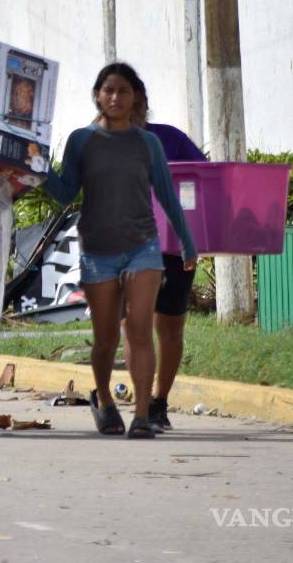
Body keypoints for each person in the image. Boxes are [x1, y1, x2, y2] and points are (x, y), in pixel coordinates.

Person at [43, 63, 197, 439]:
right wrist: (37, 164)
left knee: (141, 330)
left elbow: (166, 195)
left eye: (123, 91)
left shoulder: (149, 143)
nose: (115, 97)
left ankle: (142, 415)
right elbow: (65, 192)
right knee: (106, 337)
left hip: (143, 248)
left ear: (136, 98)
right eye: (108, 90)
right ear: (97, 94)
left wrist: (188, 242)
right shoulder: (81, 140)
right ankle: (106, 403)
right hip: (98, 251)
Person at [144, 123, 206, 432]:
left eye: (128, 93)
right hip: (124, 248)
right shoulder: (98, 141)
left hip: (173, 249)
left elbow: (206, 180)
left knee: (169, 326)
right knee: (133, 328)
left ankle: (157, 403)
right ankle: (140, 403)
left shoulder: (169, 139)